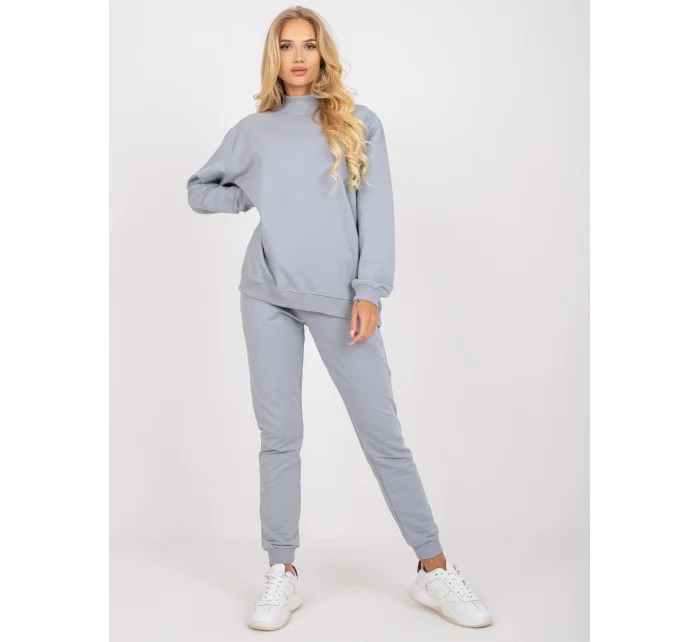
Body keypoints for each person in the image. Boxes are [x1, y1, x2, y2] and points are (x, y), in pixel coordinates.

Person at [185, 6, 492, 632]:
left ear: (323, 53)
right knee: (280, 436)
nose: (298, 56)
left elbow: (378, 211)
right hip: (266, 293)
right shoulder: (253, 131)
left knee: (383, 436)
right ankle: (282, 570)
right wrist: (248, 193)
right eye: (286, 46)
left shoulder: (358, 122)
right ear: (273, 57)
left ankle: (433, 568)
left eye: (309, 45)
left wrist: (370, 291)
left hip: (342, 299)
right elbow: (199, 189)